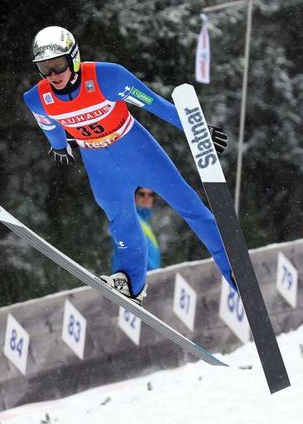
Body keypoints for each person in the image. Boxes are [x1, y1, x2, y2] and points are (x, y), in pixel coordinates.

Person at [23, 26, 233, 306]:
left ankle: (233, 268)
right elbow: (49, 126)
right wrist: (60, 145)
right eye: (44, 68)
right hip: (99, 163)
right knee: (121, 222)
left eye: (58, 65)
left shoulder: (108, 76)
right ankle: (132, 282)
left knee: (188, 204)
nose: (53, 76)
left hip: (135, 148)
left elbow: (156, 105)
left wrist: (196, 130)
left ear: (73, 58)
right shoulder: (36, 98)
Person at [112, 187, 161, 272]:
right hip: (134, 278)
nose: (146, 198)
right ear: (133, 196)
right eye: (142, 194)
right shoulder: (130, 218)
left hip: (148, 278)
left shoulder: (144, 222)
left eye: (150, 194)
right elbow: (128, 252)